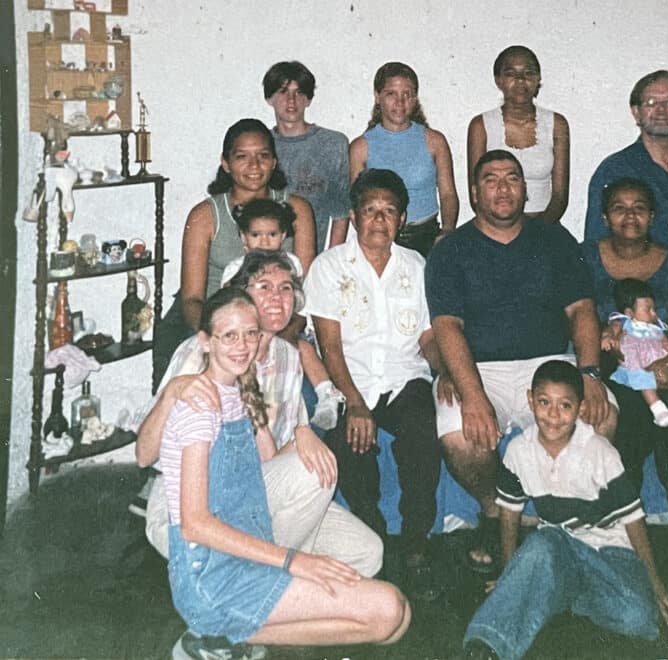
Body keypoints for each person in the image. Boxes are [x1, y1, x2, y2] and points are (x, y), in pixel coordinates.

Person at [161, 286, 408, 659]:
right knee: (387, 610)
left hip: (243, 557)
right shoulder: (200, 407)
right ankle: (214, 630)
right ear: (205, 342)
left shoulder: (239, 392)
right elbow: (195, 524)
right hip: (212, 577)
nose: (242, 345)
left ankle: (224, 638)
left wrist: (301, 433)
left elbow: (265, 470)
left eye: (250, 334)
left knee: (396, 622)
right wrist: (295, 561)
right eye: (229, 336)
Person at [137, 251, 384, 581]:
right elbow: (144, 457)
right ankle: (256, 585)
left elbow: (273, 459)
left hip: (253, 494)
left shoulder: (287, 356)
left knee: (367, 553)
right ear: (242, 295)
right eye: (264, 286)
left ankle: (255, 583)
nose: (277, 298)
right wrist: (170, 394)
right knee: (310, 474)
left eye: (285, 288)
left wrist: (301, 433)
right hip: (187, 508)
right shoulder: (206, 352)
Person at [426, 150, 615, 571]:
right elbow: (448, 328)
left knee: (599, 419)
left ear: (525, 189)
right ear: (475, 193)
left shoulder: (555, 239)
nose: (503, 188)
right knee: (462, 437)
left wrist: (588, 375)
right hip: (481, 368)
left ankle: (564, 515)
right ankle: (494, 512)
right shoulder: (451, 249)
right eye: (491, 180)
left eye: (512, 178)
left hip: (549, 362)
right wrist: (473, 396)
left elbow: (582, 311)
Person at [463, 361, 668, 660]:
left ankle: (552, 592)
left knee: (637, 617)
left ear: (580, 408)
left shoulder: (599, 451)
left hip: (610, 553)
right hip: (559, 544)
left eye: (565, 406)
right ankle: (488, 641)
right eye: (544, 403)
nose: (553, 415)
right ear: (530, 400)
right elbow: (509, 515)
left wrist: (654, 582)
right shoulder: (518, 452)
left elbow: (633, 518)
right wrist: (512, 576)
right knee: (540, 543)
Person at [303, 169, 443, 592]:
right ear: (354, 215)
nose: (379, 221)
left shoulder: (416, 266)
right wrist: (356, 405)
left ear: (402, 219)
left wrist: (446, 373)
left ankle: (416, 540)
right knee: (351, 445)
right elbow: (330, 346)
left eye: (389, 212)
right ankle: (375, 537)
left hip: (404, 378)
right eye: (370, 211)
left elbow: (427, 337)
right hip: (353, 380)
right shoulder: (328, 268)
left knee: (422, 431)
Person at [581, 177, 668, 559]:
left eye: (639, 207)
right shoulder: (586, 255)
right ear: (605, 216)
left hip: (667, 361)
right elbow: (574, 314)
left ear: (653, 216)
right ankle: (623, 538)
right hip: (613, 366)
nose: (629, 215)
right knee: (629, 429)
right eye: (619, 207)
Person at [152, 117, 316, 388]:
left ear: (274, 162)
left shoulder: (297, 210)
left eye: (263, 156)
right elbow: (192, 298)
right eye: (242, 157)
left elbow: (305, 291)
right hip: (212, 317)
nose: (254, 166)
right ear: (226, 164)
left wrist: (281, 336)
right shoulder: (205, 216)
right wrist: (219, 338)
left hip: (279, 320)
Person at [221, 198, 341, 430]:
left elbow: (301, 306)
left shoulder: (292, 264)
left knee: (305, 348)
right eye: (256, 235)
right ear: (244, 238)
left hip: (289, 330)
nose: (264, 242)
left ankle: (327, 395)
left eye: (272, 234)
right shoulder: (235, 268)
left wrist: (287, 333)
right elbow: (226, 309)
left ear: (283, 235)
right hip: (250, 337)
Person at [584, 70, 668, 248]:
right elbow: (596, 246)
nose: (661, 110)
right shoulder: (614, 170)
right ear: (636, 113)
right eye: (650, 103)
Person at [349, 62, 459, 256]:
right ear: (377, 96)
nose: (400, 102)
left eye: (407, 94)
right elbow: (355, 202)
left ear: (415, 98)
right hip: (380, 237)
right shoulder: (361, 147)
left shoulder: (434, 141)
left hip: (427, 237)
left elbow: (448, 194)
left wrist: (447, 231)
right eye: (391, 94)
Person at [467, 45, 569, 224]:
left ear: (538, 79)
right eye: (511, 74)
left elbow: (560, 196)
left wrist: (535, 232)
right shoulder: (481, 125)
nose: (521, 80)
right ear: (499, 81)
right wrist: (507, 230)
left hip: (544, 226)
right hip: (496, 225)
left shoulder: (557, 124)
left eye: (528, 73)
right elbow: (476, 194)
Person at [264, 60, 351, 250]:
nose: (291, 101)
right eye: (283, 92)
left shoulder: (332, 144)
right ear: (269, 98)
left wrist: (329, 263)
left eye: (299, 92)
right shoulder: (261, 146)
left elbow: (341, 213)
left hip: (313, 261)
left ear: (309, 99)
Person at [603, 278, 668, 427]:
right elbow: (610, 330)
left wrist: (666, 342)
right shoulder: (624, 322)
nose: (653, 314)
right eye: (648, 309)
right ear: (629, 312)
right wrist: (608, 338)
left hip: (661, 363)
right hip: (637, 363)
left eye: (654, 309)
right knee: (643, 380)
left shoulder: (655, 326)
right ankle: (658, 409)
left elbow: (662, 336)